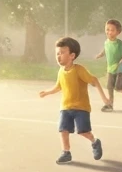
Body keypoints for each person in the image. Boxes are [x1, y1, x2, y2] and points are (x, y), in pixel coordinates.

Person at [39, 36, 108, 164]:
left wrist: (104, 98)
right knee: (63, 130)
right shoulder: (61, 71)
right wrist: (47, 92)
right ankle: (66, 152)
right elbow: (58, 86)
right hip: (65, 107)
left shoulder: (79, 70)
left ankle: (94, 142)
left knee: (83, 131)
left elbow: (94, 80)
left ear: (72, 55)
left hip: (81, 107)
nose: (59, 56)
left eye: (62, 53)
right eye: (57, 53)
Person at [94, 18, 122, 110]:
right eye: (107, 29)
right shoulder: (106, 42)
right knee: (110, 87)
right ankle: (110, 104)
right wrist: (100, 54)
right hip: (110, 69)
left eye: (112, 30)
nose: (109, 32)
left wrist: (121, 61)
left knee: (118, 87)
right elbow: (106, 50)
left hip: (120, 69)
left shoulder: (119, 43)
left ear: (117, 32)